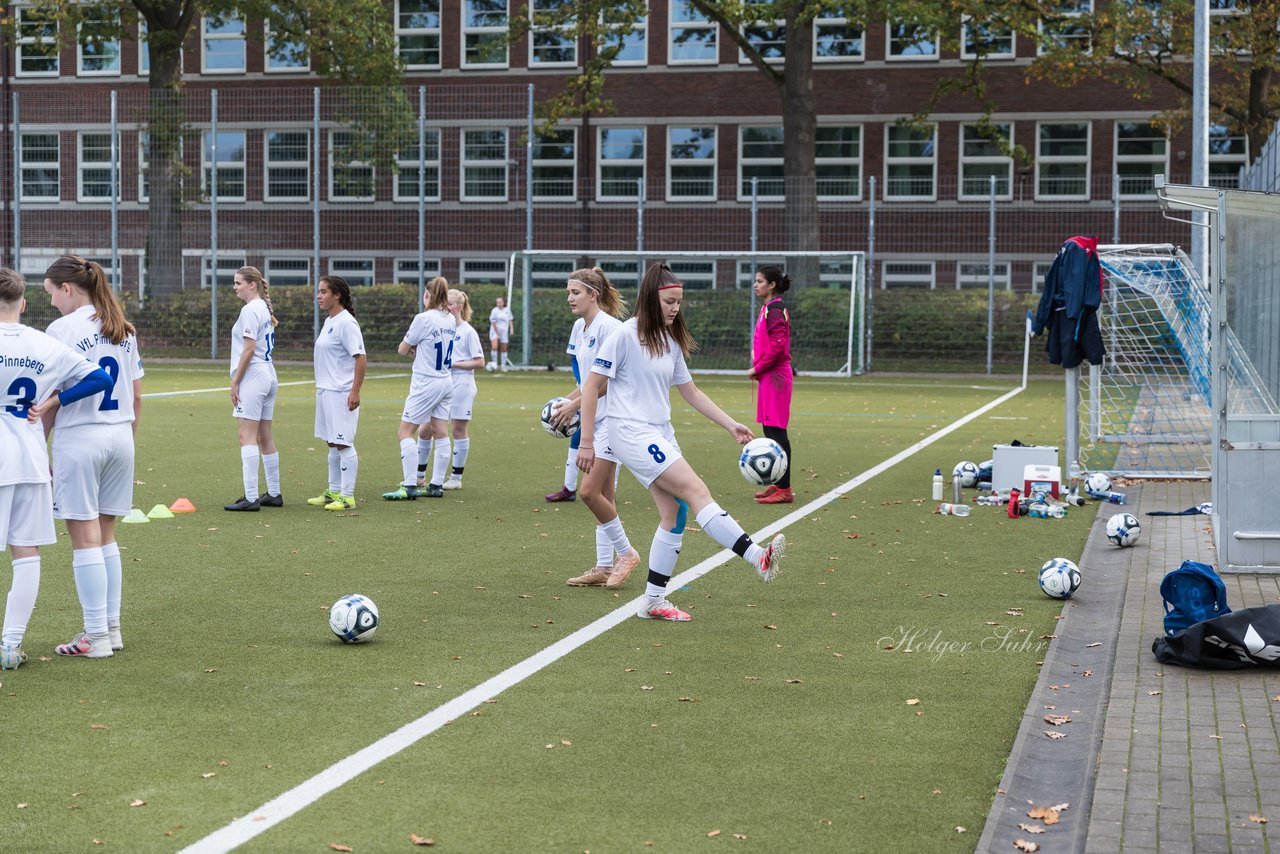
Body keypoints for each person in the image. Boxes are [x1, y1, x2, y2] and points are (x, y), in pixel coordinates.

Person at [577, 263, 785, 622]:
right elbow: (592, 387)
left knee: (675, 516)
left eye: (679, 302)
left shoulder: (669, 340)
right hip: (630, 432)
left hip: (659, 433)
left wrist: (730, 424)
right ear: (651, 298)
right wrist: (586, 442)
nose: (675, 308)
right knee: (696, 490)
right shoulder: (623, 336)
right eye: (670, 301)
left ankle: (654, 601)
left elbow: (691, 391)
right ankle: (757, 558)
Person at [0, 267, 113, 669]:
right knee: (25, 554)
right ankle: (10, 646)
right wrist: (51, 403)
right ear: (23, 303)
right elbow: (99, 377)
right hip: (30, 460)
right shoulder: (41, 342)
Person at [38, 256, 146, 660]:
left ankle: (95, 637)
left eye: (51, 294)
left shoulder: (61, 329)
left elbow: (48, 400)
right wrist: (124, 439)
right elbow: (135, 396)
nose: (51, 304)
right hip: (121, 435)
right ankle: (111, 629)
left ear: (67, 289)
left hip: (80, 439)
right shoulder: (122, 326)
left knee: (84, 539)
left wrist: (40, 450)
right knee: (107, 536)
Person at [547, 268, 642, 588]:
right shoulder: (580, 327)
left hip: (615, 420)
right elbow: (586, 383)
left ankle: (627, 554)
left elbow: (608, 381)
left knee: (588, 491)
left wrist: (575, 405)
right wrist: (567, 403)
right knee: (604, 495)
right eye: (568, 293)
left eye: (575, 292)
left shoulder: (611, 329)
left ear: (593, 294)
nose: (570, 298)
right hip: (596, 419)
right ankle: (603, 565)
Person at [384, 276, 454, 500]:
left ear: (427, 295)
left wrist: (413, 347)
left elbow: (402, 349)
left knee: (405, 432)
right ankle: (436, 485)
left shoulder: (423, 318)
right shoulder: (450, 318)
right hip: (446, 380)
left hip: (426, 382)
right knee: (440, 431)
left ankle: (409, 485)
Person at [225, 266, 283, 511]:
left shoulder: (250, 309)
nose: (235, 287)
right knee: (264, 436)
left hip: (255, 375)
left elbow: (249, 349)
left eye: (238, 283)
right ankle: (273, 492)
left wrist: (236, 380)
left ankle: (250, 498)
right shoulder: (263, 308)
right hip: (268, 373)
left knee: (246, 436)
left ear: (252, 285)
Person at [307, 276, 366, 512]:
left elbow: (360, 358)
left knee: (343, 443)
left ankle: (348, 496)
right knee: (332, 442)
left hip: (341, 392)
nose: (319, 296)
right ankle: (333, 490)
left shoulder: (346, 323)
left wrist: (355, 391)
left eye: (323, 292)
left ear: (337, 295)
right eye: (318, 292)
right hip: (325, 391)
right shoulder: (329, 321)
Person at [749, 265, 794, 504]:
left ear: (772, 285)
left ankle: (785, 489)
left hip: (776, 376)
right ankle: (778, 483)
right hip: (769, 376)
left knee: (777, 432)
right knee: (770, 430)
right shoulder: (768, 308)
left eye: (760, 281)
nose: (756, 285)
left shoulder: (775, 309)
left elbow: (778, 346)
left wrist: (757, 367)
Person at [436, 288, 485, 490]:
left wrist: (455, 364)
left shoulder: (467, 331)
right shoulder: (444, 328)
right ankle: (425, 475)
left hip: (462, 384)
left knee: (458, 430)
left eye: (449, 303)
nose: (445, 307)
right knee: (433, 427)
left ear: (459, 306)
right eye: (443, 303)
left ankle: (456, 478)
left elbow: (480, 362)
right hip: (444, 383)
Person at [488, 295, 515, 371]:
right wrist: (497, 334)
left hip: (504, 331)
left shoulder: (507, 310)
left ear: (503, 303)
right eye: (497, 302)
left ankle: (503, 365)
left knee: (504, 348)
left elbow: (510, 320)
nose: (498, 303)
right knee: (494, 347)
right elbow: (494, 322)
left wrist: (511, 329)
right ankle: (494, 364)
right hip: (495, 330)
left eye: (500, 302)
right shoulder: (494, 311)